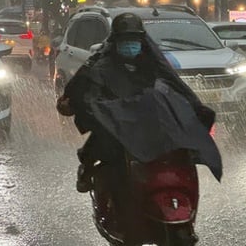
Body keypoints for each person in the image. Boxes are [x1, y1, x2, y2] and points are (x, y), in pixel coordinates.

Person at [56, 13, 218, 193]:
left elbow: (176, 84)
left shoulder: (153, 62)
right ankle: (87, 166)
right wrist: (80, 104)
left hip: (148, 120)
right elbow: (81, 85)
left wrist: (196, 108)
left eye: (134, 40)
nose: (130, 45)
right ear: (116, 41)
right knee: (106, 137)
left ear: (141, 40)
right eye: (125, 40)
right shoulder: (101, 64)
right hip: (118, 119)